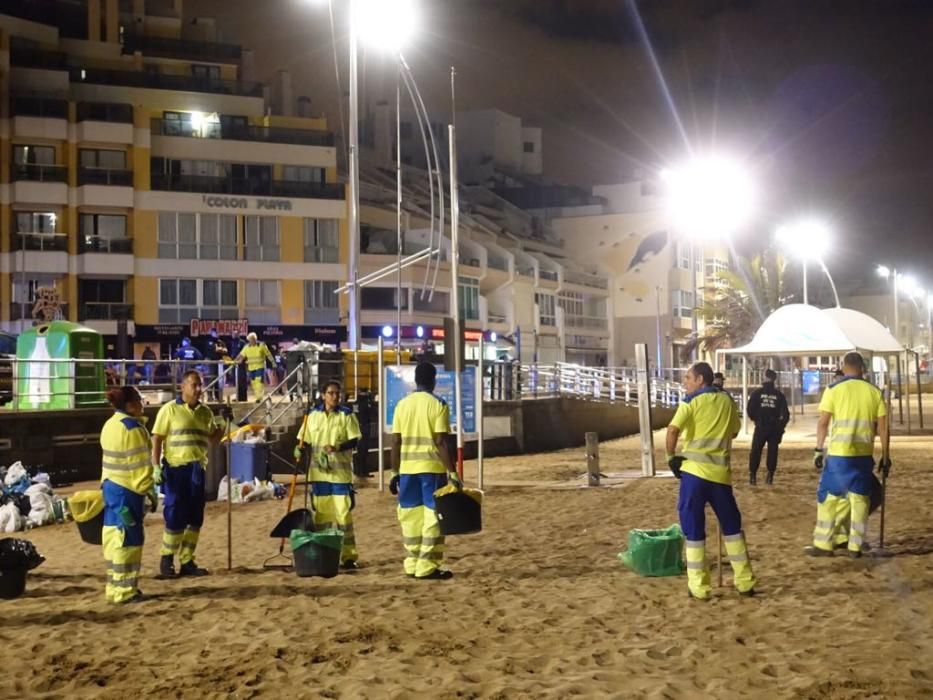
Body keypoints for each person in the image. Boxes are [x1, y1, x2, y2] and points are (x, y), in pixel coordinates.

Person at [666, 361, 757, 600]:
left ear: (700, 380)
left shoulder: (690, 403)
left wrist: (670, 457)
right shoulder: (727, 401)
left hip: (694, 475)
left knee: (694, 530)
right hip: (720, 476)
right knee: (732, 528)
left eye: (688, 378)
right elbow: (734, 431)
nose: (685, 382)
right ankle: (745, 581)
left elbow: (672, 430)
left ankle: (699, 586)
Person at [809, 352, 890, 558]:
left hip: (839, 454)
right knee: (860, 499)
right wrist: (886, 455)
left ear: (844, 367)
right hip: (863, 455)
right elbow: (883, 428)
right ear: (862, 368)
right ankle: (855, 546)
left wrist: (819, 449)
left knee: (828, 498)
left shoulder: (834, 389)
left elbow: (823, 423)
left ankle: (824, 544)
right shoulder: (874, 392)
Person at [150, 370, 230, 578]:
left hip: (197, 469)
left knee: (195, 518)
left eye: (200, 385)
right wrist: (156, 466)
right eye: (194, 385)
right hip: (176, 469)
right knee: (175, 515)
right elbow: (157, 438)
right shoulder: (169, 410)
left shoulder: (205, 413)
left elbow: (212, 440)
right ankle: (166, 559)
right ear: (183, 387)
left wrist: (223, 424)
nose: (198, 389)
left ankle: (187, 560)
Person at [389, 362, 462, 580]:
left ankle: (411, 563)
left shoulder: (402, 405)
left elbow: (395, 441)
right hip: (431, 470)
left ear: (415, 380)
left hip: (407, 470)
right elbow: (441, 441)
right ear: (433, 380)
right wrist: (453, 472)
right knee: (433, 517)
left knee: (411, 517)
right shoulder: (438, 404)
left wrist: (394, 472)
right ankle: (427, 565)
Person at [294, 380, 363, 569]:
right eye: (331, 393)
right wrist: (299, 449)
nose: (335, 396)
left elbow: (355, 441)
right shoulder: (312, 416)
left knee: (343, 517)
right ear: (323, 395)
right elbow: (303, 439)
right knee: (322, 517)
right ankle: (322, 552)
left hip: (341, 476)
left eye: (337, 393)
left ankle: (348, 556)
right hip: (319, 475)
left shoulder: (347, 415)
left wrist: (338, 447)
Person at [100, 385, 158, 604]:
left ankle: (114, 588)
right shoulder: (132, 429)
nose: (143, 405)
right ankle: (125, 591)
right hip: (128, 493)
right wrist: (149, 493)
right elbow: (140, 467)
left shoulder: (109, 425)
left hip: (111, 490)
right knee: (129, 538)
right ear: (131, 405)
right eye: (140, 401)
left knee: (113, 536)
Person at [746, 369, 790, 486]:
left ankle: (753, 476)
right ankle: (770, 476)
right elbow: (785, 415)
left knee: (755, 451)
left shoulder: (757, 393)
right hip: (774, 428)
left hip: (760, 427)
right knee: (772, 452)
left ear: (764, 377)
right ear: (774, 379)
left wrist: (756, 419)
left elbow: (750, 409)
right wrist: (780, 426)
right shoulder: (779, 395)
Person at [236, 332, 274, 402]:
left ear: (254, 339)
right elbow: (241, 355)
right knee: (253, 383)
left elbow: (268, 354)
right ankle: (258, 397)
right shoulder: (247, 347)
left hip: (260, 367)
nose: (250, 341)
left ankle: (259, 398)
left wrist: (273, 363)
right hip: (251, 368)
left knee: (258, 382)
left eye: (251, 340)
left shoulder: (261, 345)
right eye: (249, 340)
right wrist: (235, 361)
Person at [201, 329, 227, 402]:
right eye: (215, 333)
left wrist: (220, 349)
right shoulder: (209, 341)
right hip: (210, 363)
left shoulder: (221, 342)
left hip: (219, 363)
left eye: (217, 332)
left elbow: (225, 351)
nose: (216, 334)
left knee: (219, 380)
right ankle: (209, 397)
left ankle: (219, 397)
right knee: (210, 379)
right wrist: (220, 349)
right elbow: (215, 349)